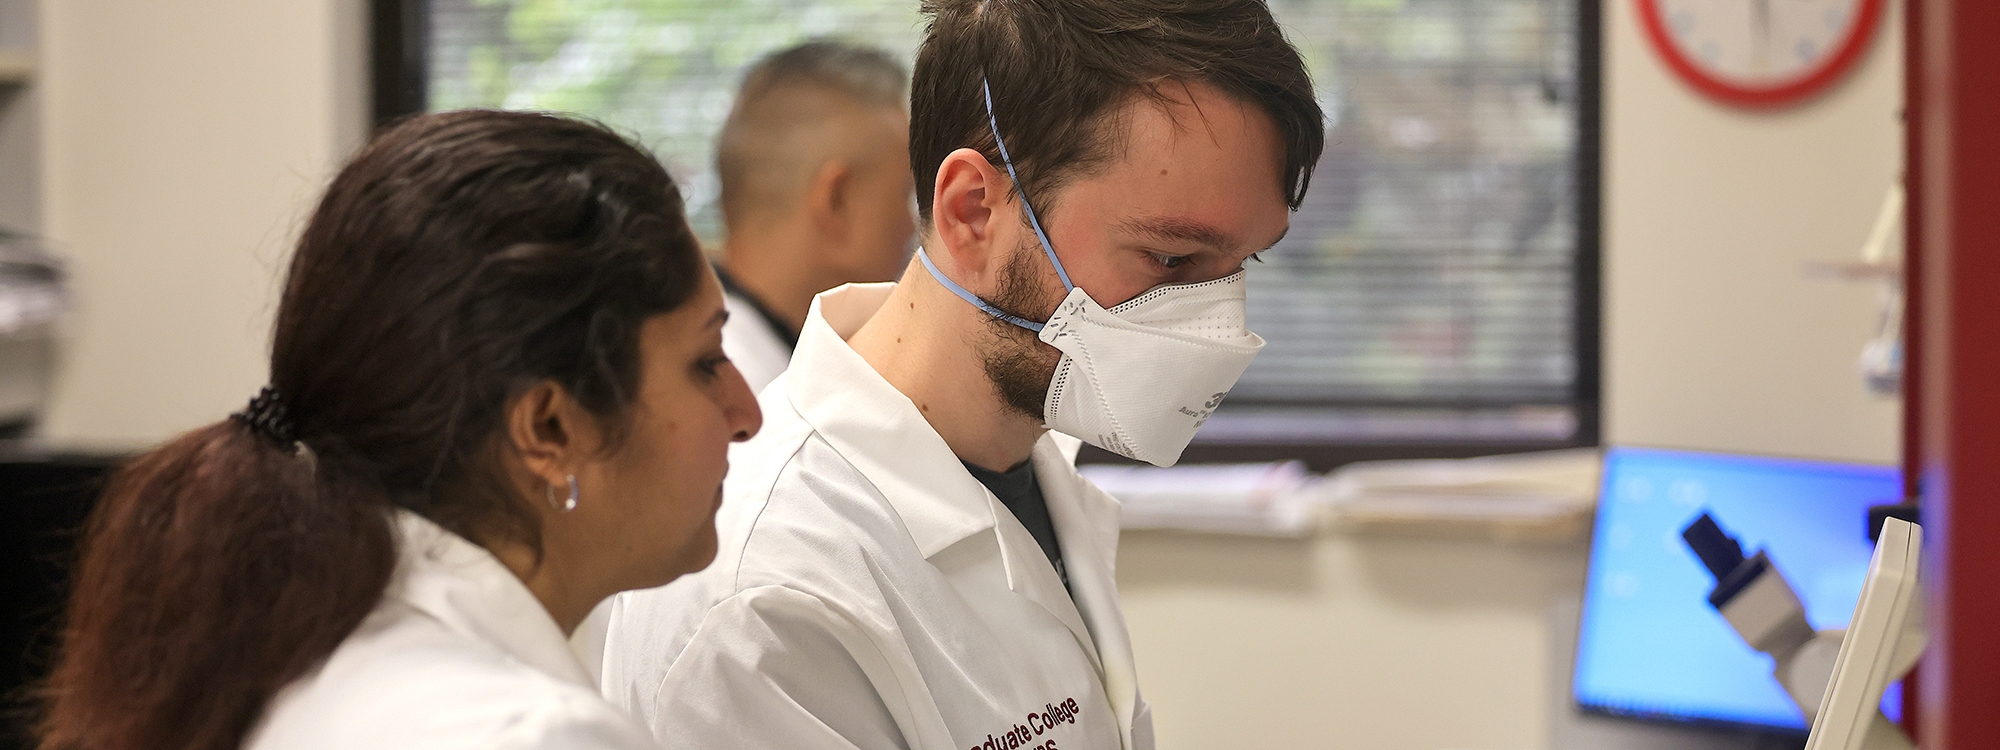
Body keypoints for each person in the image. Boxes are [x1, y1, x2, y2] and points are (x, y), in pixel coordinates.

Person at [598, 1, 1324, 749]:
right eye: (1172, 261)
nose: (1215, 323)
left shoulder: (1028, 457)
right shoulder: (763, 600)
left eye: (1241, 266)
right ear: (973, 211)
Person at [36, 110, 762, 750]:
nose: (747, 412)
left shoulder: (302, 654)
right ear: (548, 428)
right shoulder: (521, 735)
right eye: (706, 361)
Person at [713, 40, 917, 392]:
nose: (913, 226)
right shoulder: (745, 402)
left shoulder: (758, 359)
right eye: (904, 194)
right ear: (835, 201)